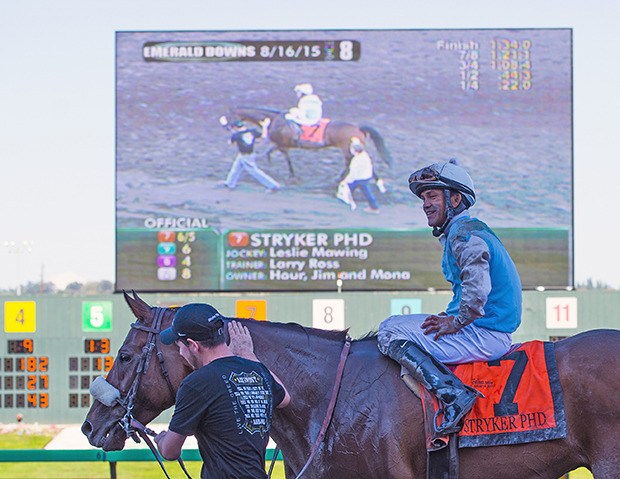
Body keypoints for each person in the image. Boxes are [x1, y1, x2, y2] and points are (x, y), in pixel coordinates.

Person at [377, 159, 522, 435]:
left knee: (388, 330)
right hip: (486, 330)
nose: (425, 204)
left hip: (485, 334)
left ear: (455, 199)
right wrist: (450, 316)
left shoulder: (463, 234)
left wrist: (455, 322)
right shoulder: (466, 230)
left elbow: (478, 290)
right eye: (423, 197)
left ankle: (452, 395)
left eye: (432, 195)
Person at [155, 303, 290, 479]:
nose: (181, 353)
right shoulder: (258, 371)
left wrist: (160, 439)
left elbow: (169, 451)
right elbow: (285, 398)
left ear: (193, 345)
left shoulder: (196, 383)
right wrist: (248, 354)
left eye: (179, 346)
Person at [222, 119, 280, 193]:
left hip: (245, 156)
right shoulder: (252, 131)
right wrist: (264, 127)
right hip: (250, 154)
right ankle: (230, 183)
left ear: (235, 128)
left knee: (254, 171)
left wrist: (233, 135)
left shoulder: (236, 135)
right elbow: (263, 136)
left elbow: (230, 143)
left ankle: (273, 185)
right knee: (236, 168)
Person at [338, 137, 380, 214]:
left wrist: (346, 180)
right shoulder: (365, 155)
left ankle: (347, 201)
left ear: (354, 151)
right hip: (366, 177)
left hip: (358, 178)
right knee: (367, 192)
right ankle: (374, 207)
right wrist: (355, 141)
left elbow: (353, 173)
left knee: (348, 187)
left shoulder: (356, 160)